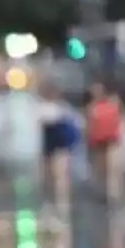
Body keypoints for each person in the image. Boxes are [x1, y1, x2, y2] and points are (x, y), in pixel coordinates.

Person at [38, 82, 80, 216]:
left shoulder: (46, 108)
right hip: (58, 147)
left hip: (54, 147)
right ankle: (60, 204)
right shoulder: (64, 109)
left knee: (54, 176)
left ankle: (57, 204)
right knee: (57, 177)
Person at [86, 80, 124, 206]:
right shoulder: (92, 108)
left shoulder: (112, 104)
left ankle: (113, 194)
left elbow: (119, 120)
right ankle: (103, 193)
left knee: (113, 167)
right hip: (98, 142)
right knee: (101, 168)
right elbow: (90, 126)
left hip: (111, 140)